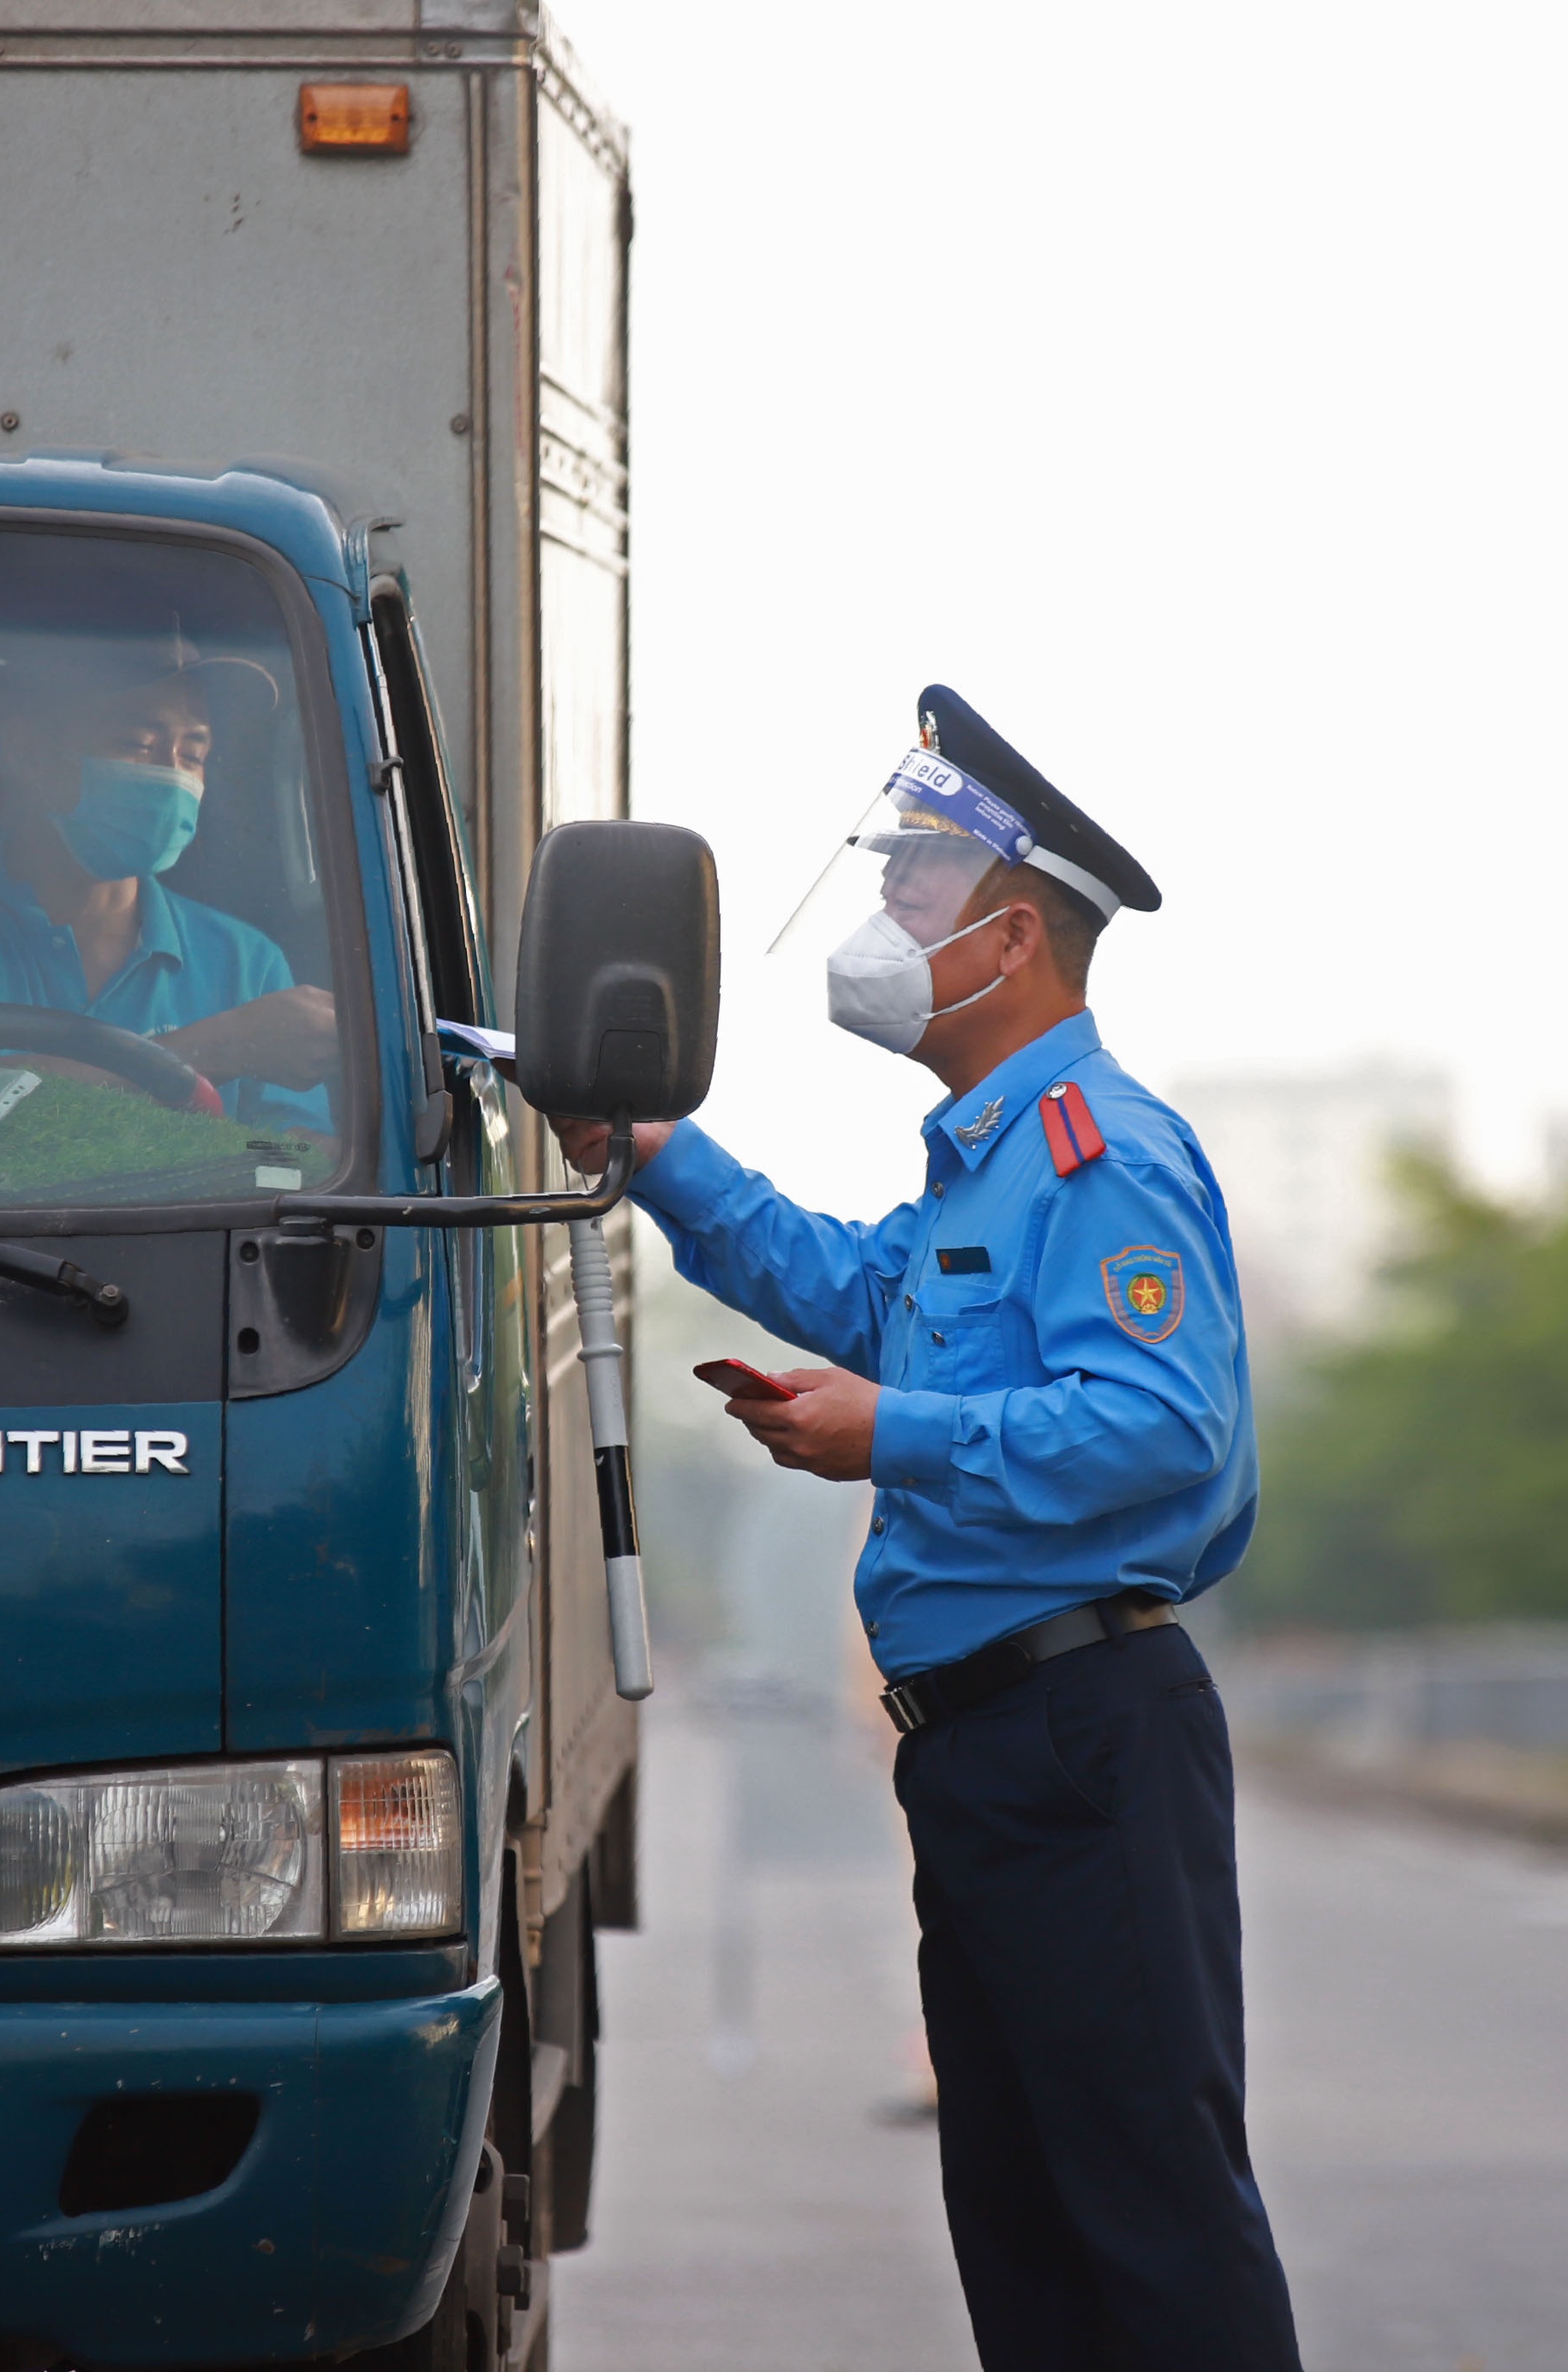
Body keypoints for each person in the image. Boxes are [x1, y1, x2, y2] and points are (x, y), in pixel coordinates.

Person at [552, 687, 1301, 2372]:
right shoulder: (981, 1170)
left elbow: (1164, 1423)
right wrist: (650, 1149)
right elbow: (839, 1281)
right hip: (986, 1746)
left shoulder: (1095, 1152)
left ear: (1011, 931)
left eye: (910, 886)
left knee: (1150, 2210)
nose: (882, 916)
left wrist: (892, 1428)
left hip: (1083, 1730)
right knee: (1023, 2218)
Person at [0, 662, 337, 1127]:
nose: (172, 774)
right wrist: (220, 1048)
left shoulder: (244, 958)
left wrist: (273, 1154)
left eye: (194, 753)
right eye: (138, 743)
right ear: (32, 754)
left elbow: (285, 1154)